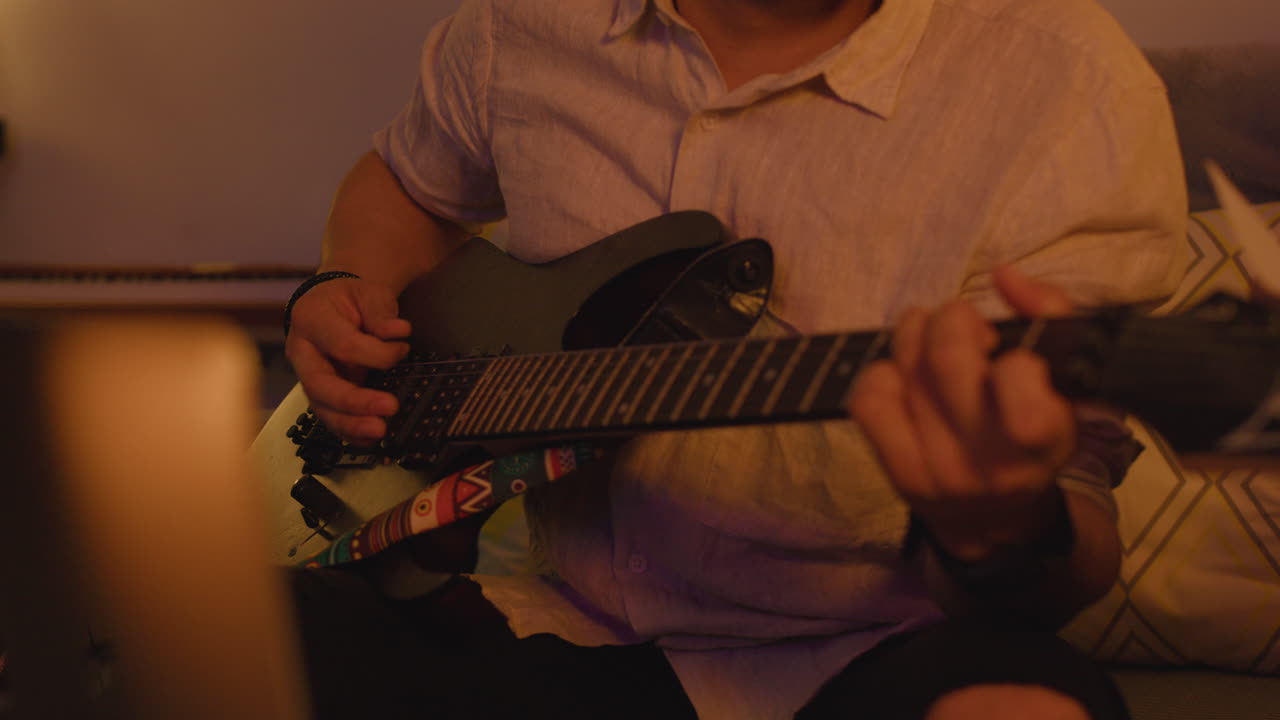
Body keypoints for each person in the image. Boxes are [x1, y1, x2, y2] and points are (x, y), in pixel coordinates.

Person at [283, 0, 1189, 717]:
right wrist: (347, 280)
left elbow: (1073, 536)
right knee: (234, 632)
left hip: (875, 646)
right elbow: (407, 181)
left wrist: (999, 529)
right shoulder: (521, 26)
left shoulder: (1067, 75)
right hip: (559, 621)